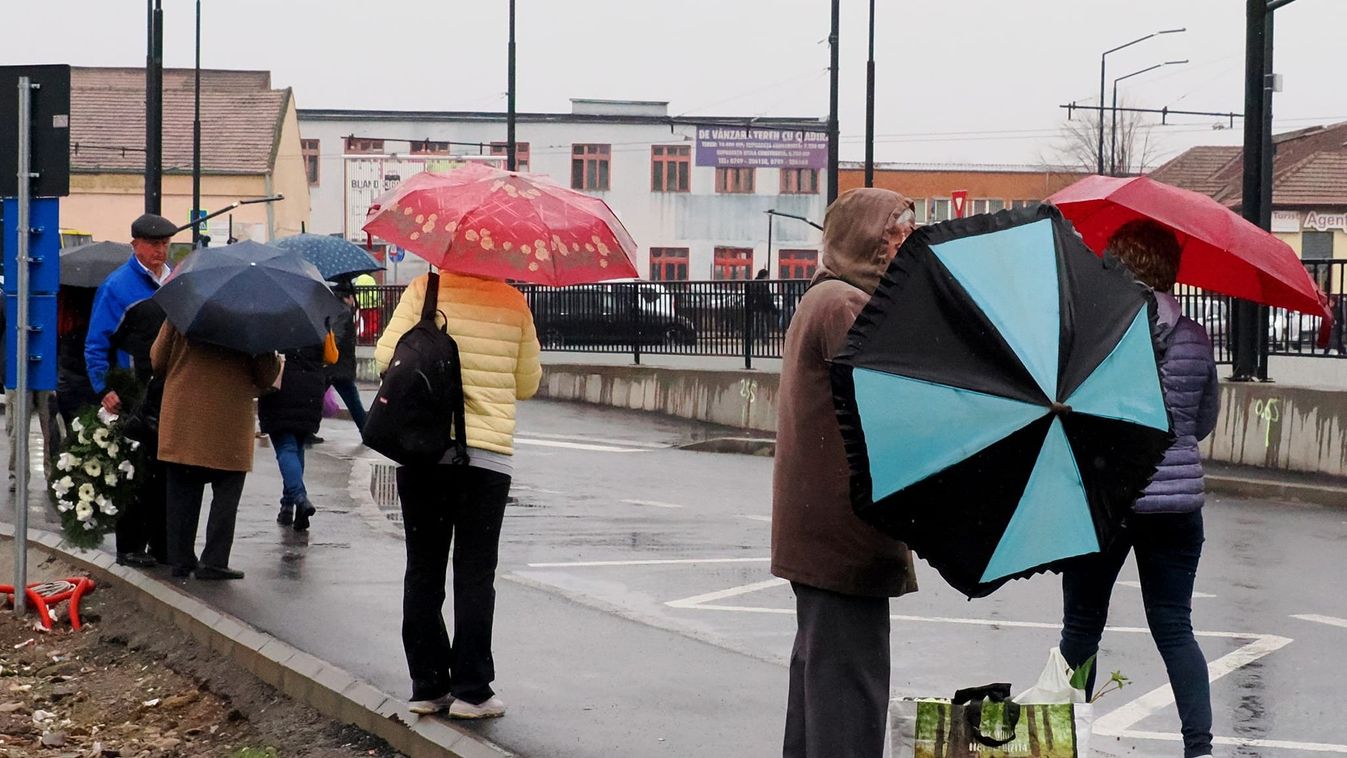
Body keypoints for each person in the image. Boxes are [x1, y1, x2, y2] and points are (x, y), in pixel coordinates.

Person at [1058, 219, 1220, 758]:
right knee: (1176, 628)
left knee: (1082, 626)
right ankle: (1199, 747)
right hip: (1177, 505)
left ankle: (1069, 740)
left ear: (1120, 266)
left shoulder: (1102, 331)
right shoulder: (1195, 336)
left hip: (1109, 498)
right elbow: (1202, 421)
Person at [771, 188, 920, 758]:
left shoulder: (829, 298)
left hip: (824, 534)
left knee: (820, 688)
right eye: (896, 231)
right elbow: (894, 396)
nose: (908, 241)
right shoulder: (843, 305)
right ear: (867, 241)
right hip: (843, 535)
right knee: (849, 701)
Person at [375, 270, 541, 719]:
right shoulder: (513, 303)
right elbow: (526, 385)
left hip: (424, 451)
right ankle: (472, 690)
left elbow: (384, 359)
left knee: (423, 568)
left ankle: (427, 685)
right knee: (474, 572)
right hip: (486, 460)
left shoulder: (423, 290)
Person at [151, 321, 281, 580]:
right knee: (226, 493)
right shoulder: (251, 319)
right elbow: (266, 376)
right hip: (229, 420)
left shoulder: (183, 311)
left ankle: (180, 558)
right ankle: (214, 560)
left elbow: (158, 360)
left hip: (183, 416)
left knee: (182, 491)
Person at [86, 213, 176, 416]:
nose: (161, 250)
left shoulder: (176, 279)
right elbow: (97, 343)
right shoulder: (116, 286)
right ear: (135, 245)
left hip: (173, 387)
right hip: (136, 389)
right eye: (154, 244)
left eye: (165, 243)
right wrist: (104, 388)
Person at [108, 298, 170, 567]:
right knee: (138, 476)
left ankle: (159, 545)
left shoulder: (171, 311)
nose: (160, 252)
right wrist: (108, 387)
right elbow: (105, 342)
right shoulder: (137, 301)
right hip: (141, 401)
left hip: (160, 401)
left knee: (159, 480)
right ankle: (131, 546)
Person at [259, 343, 326, 531]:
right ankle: (288, 507)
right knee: (297, 448)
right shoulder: (315, 322)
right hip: (311, 387)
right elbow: (331, 356)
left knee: (286, 447)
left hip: (282, 387)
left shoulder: (276, 321)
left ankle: (299, 497)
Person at [326, 282, 367, 430]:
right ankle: (366, 431)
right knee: (352, 399)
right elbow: (336, 336)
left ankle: (306, 432)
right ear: (347, 297)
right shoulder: (342, 312)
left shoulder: (332, 307)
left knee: (315, 399)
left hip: (334, 364)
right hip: (339, 363)